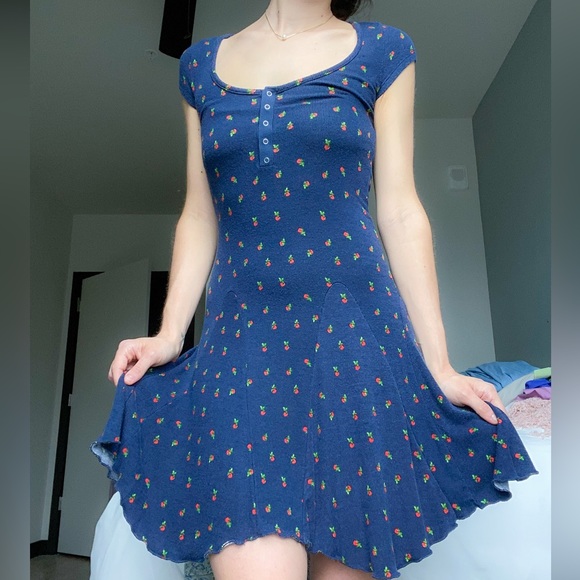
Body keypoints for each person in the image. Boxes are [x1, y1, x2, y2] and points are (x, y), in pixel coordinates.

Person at [92, 1, 537, 578]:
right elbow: (200, 215)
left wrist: (441, 366)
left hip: (353, 340)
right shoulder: (198, 67)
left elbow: (400, 210)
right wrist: (170, 333)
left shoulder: (384, 50)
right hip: (242, 348)